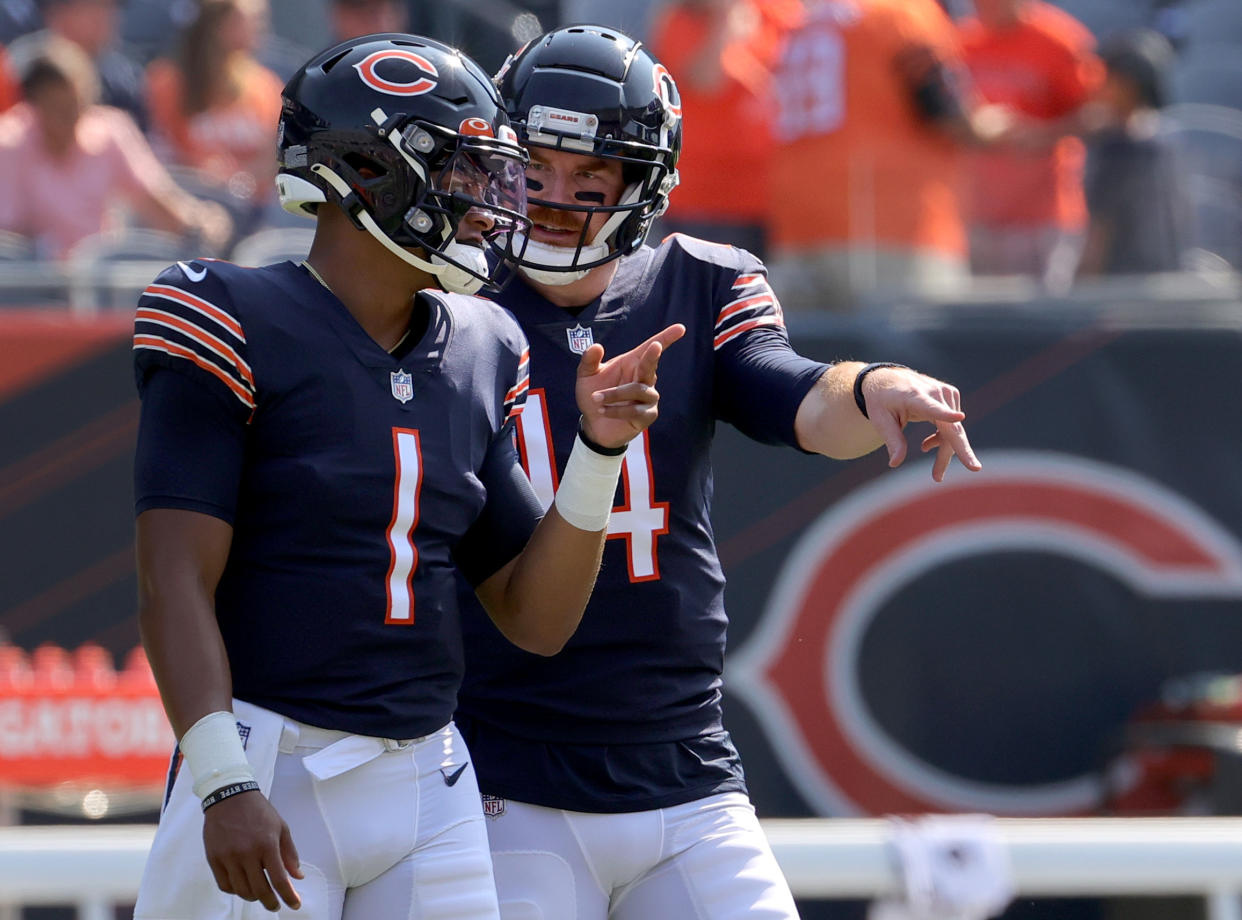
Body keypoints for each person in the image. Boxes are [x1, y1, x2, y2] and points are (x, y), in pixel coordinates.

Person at [131, 33, 682, 920]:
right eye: (466, 173)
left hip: (430, 773)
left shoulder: (480, 344)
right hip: (271, 761)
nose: (489, 204)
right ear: (372, 172)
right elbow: (172, 581)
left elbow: (536, 619)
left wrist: (599, 453)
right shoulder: (230, 312)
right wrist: (222, 784)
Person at [453, 25, 982, 920]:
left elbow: (793, 395)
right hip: (504, 772)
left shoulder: (701, 283)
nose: (553, 199)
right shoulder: (448, 306)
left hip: (685, 772)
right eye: (534, 169)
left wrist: (875, 384)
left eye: (591, 179)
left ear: (643, 185)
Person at [764, 0, 1012, 312]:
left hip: (798, 228)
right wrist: (1003, 125)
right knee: (899, 356)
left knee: (812, 356)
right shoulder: (902, 14)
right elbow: (949, 116)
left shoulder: (800, 21)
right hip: (890, 229)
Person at [0, 36, 229, 259]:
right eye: (57, 108)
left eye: (77, 105)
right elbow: (8, 236)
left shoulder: (111, 131)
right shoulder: (8, 144)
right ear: (33, 104)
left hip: (98, 288)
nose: (69, 118)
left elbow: (155, 200)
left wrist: (199, 222)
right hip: (29, 289)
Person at [957, 0, 1103, 286]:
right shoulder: (960, 40)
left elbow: (1096, 114)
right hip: (978, 212)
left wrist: (1041, 134)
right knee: (978, 320)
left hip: (1042, 215)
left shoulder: (1059, 39)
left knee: (1041, 322)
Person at [648, 0, 802, 258]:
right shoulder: (683, 20)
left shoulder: (776, 12)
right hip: (704, 203)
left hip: (766, 199)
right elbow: (706, 81)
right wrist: (724, 19)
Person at [144, 0, 284, 234]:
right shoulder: (167, 83)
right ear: (218, 24)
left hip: (257, 214)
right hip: (193, 209)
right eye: (250, 19)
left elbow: (274, 154)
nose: (259, 27)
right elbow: (159, 154)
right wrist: (203, 173)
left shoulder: (265, 86)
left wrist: (242, 176)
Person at [1076, 28, 1190, 277]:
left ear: (1126, 85)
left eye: (1105, 77)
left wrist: (1080, 286)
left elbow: (1101, 232)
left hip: (1120, 288)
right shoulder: (1167, 138)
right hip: (1165, 277)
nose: (1096, 85)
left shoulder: (1118, 147)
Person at [6, 0, 150, 131]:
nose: (105, 19)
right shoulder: (21, 70)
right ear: (57, 13)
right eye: (94, 8)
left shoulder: (123, 78)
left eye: (109, 8)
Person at [328, 0, 407, 42]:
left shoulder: (416, 63)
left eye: (379, 7)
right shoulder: (320, 68)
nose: (375, 18)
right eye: (360, 5)